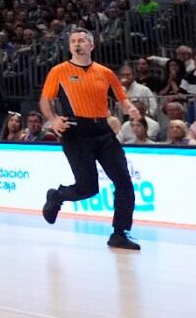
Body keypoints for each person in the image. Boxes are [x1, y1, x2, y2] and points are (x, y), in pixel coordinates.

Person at [39, 28, 144, 251]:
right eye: (73, 41)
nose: (77, 44)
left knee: (124, 183)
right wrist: (53, 119)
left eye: (82, 40)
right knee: (88, 188)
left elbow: (122, 99)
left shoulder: (105, 72)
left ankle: (119, 233)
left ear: (91, 45)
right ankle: (57, 195)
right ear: (70, 47)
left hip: (102, 131)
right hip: (75, 132)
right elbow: (45, 101)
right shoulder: (59, 71)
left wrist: (131, 109)